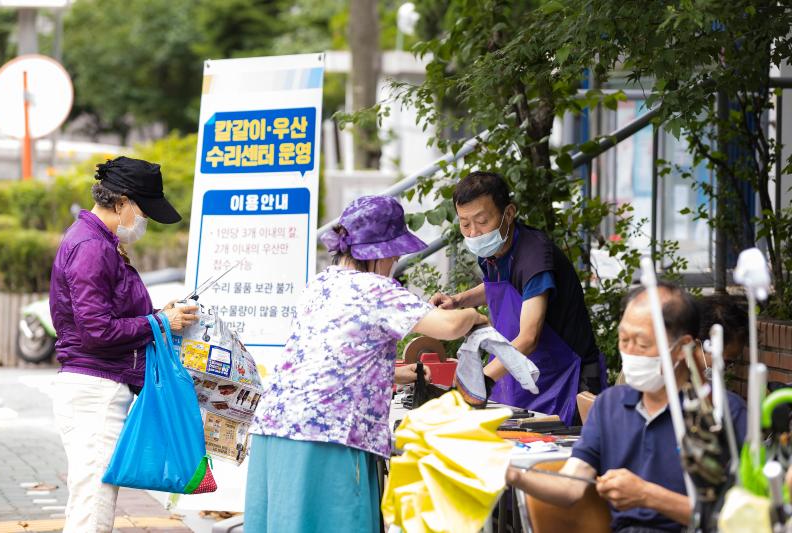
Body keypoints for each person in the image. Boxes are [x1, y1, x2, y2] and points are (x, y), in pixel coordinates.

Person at [245, 196, 487, 533]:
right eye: (396, 254)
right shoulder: (378, 290)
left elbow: (334, 355)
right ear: (383, 252)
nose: (395, 261)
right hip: (329, 438)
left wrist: (396, 373)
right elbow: (449, 327)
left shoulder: (320, 284)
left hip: (274, 430)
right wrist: (472, 313)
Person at [506, 281, 748, 532]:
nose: (630, 352)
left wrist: (648, 496)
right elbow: (570, 486)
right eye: (624, 340)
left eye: (642, 344)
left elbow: (738, 519)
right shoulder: (610, 406)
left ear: (682, 348)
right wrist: (510, 472)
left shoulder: (722, 413)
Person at [49, 156, 198, 533]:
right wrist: (159, 321)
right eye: (144, 210)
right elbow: (96, 331)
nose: (145, 220)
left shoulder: (95, 241)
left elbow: (104, 317)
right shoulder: (92, 247)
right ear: (122, 203)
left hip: (95, 384)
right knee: (93, 505)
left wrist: (158, 315)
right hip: (95, 389)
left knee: (89, 499)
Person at [430, 171, 604, 423]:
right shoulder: (494, 248)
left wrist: (478, 381)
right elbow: (500, 287)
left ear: (509, 213)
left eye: (482, 220)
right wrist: (457, 301)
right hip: (523, 370)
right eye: (465, 223)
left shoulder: (534, 257)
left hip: (567, 377)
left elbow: (529, 337)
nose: (474, 232)